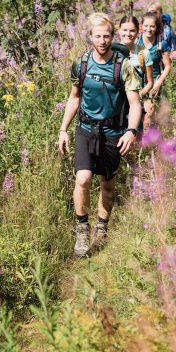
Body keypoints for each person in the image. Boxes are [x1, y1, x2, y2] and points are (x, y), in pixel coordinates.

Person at [58, 13, 142, 257]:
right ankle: (82, 230)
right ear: (91, 37)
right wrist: (63, 129)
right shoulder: (81, 64)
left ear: (112, 36)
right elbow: (74, 98)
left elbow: (134, 104)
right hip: (85, 129)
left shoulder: (123, 66)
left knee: (107, 184)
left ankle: (102, 228)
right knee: (82, 179)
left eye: (106, 36)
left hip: (114, 132)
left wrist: (131, 131)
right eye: (98, 36)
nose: (103, 40)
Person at [117, 14, 154, 130]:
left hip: (135, 107)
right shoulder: (111, 51)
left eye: (132, 30)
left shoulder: (144, 53)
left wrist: (138, 96)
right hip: (115, 106)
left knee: (133, 141)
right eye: (125, 30)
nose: (128, 34)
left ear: (138, 31)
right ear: (119, 30)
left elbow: (150, 82)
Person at [138, 10, 172, 130]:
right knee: (136, 113)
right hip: (137, 82)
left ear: (157, 27)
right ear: (141, 26)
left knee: (149, 114)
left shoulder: (160, 44)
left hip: (153, 83)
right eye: (146, 26)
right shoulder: (137, 40)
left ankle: (146, 145)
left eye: (152, 26)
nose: (149, 29)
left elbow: (167, 66)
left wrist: (159, 83)